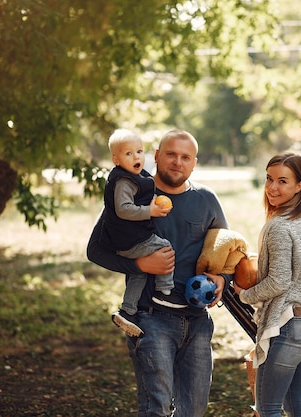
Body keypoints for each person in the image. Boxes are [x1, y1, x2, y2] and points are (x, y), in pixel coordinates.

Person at [87, 129, 231, 417]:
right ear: (156, 156)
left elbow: (225, 254)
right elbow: (96, 250)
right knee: (157, 408)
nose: (177, 162)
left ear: (194, 162)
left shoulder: (207, 199)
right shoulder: (132, 193)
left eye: (185, 157)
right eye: (171, 154)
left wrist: (221, 279)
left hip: (198, 321)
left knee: (194, 410)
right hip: (150, 320)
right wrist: (140, 266)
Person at [233, 153, 301, 417]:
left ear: (300, 185)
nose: (273, 187)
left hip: (288, 326)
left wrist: (245, 294)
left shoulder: (278, 227)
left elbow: (279, 281)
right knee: (296, 406)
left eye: (283, 181)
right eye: (269, 179)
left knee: (268, 408)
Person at [100, 129, 185, 338]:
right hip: (128, 240)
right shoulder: (123, 181)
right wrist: (151, 211)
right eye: (128, 154)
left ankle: (126, 311)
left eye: (139, 151)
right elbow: (124, 209)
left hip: (126, 242)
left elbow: (141, 197)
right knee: (164, 246)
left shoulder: (137, 177)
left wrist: (152, 203)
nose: (136, 157)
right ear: (116, 160)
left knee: (139, 272)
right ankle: (165, 289)